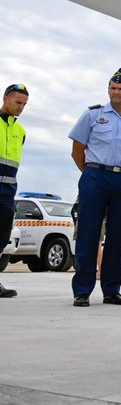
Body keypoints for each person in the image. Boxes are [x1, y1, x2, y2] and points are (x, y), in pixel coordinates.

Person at [68, 69, 121, 307]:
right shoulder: (92, 115)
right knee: (88, 233)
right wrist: (91, 174)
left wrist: (120, 171)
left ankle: (112, 290)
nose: (116, 92)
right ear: (108, 90)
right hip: (95, 176)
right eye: (113, 88)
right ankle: (82, 290)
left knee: (118, 236)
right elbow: (77, 149)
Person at [0, 83, 28, 298]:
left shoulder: (20, 131)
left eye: (24, 104)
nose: (21, 107)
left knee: (1, 237)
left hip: (8, 192)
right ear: (5, 98)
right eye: (18, 102)